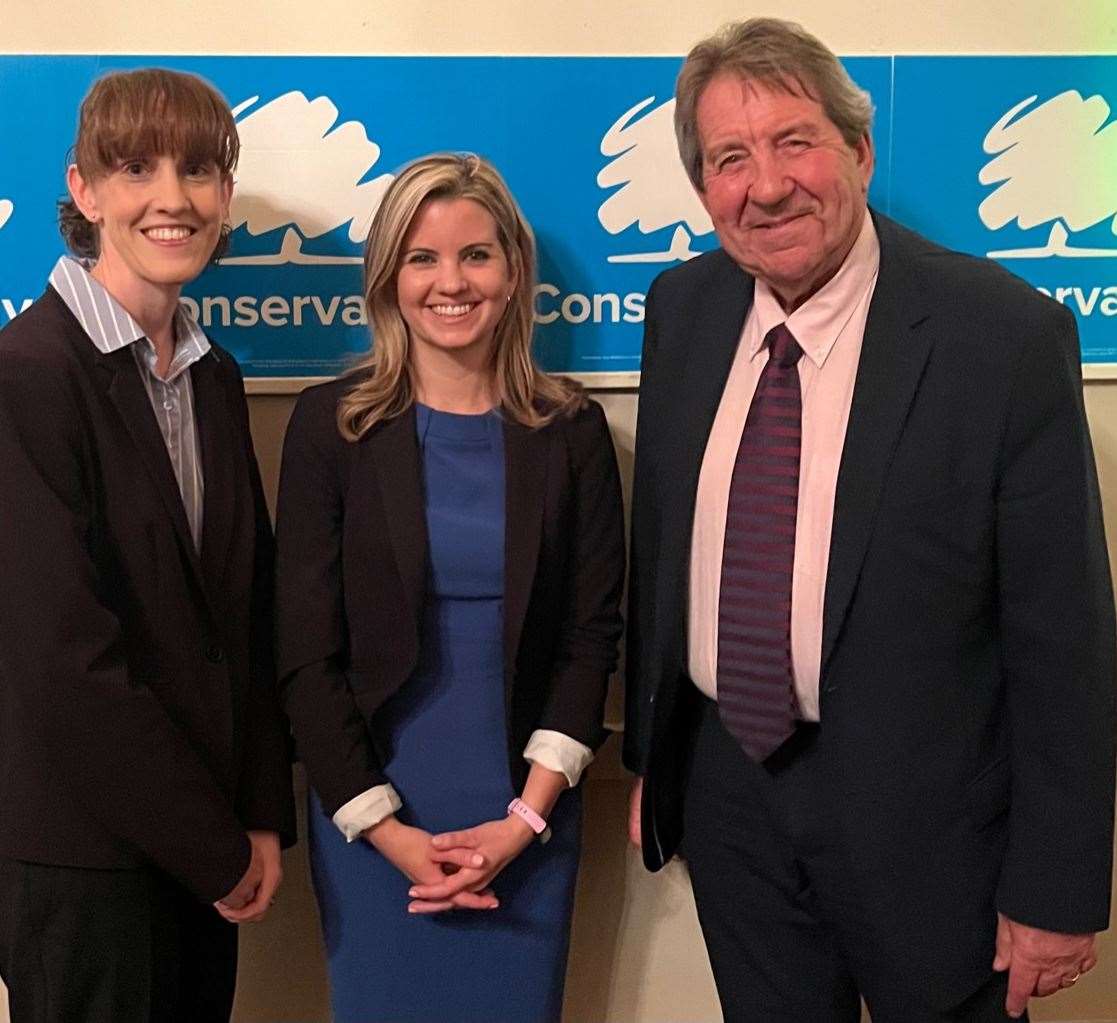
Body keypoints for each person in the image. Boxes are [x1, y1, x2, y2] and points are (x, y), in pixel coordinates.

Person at [623, 17, 1114, 1023]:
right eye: (728, 159)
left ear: (856, 149)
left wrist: (1056, 890)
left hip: (932, 824)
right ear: (702, 188)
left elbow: (1062, 637)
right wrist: (657, 759)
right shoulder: (683, 309)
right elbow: (666, 548)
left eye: (793, 141)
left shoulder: (1002, 336)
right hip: (730, 795)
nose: (764, 185)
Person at [275, 152, 625, 1023]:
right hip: (372, 811)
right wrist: (387, 830)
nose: (449, 281)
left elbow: (591, 637)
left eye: (475, 254)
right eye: (421, 258)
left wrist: (525, 820)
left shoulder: (571, 430)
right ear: (388, 277)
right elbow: (303, 654)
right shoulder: (332, 426)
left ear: (512, 272)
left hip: (524, 809)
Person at [0, 68, 295, 1023]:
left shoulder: (212, 378)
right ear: (83, 191)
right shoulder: (27, 376)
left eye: (200, 170)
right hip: (84, 859)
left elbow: (242, 614)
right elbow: (62, 658)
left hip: (203, 845)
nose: (173, 198)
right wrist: (212, 842)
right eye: (136, 168)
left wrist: (256, 816)